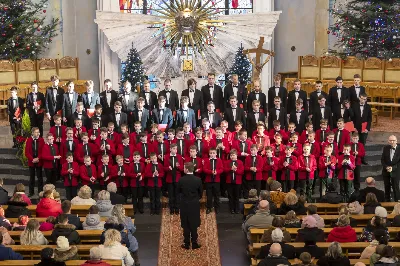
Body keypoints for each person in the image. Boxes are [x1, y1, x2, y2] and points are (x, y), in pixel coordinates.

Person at [178, 162, 203, 250]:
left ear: (187, 169)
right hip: (194, 204)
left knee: (185, 224)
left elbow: (178, 192)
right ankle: (195, 243)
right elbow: (201, 193)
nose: (183, 169)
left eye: (184, 168)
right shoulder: (198, 180)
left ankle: (187, 243)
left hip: (184, 204)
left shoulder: (181, 180)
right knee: (194, 223)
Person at [25, 127, 45, 197]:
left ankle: (40, 191)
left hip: (39, 161)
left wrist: (38, 158)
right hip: (32, 162)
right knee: (32, 177)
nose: (37, 133)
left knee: (40, 177)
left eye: (38, 132)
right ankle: (31, 192)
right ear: (32, 133)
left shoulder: (41, 140)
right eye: (36, 132)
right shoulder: (29, 140)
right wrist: (32, 159)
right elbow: (26, 152)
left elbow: (43, 151)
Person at [381, 135, 400, 201]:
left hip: (395, 171)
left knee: (395, 187)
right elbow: (382, 159)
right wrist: (386, 167)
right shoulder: (385, 148)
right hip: (386, 171)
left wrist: (393, 168)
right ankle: (387, 201)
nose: (392, 142)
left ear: (396, 141)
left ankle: (397, 201)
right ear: (388, 141)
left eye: (393, 140)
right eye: (390, 140)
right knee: (387, 186)